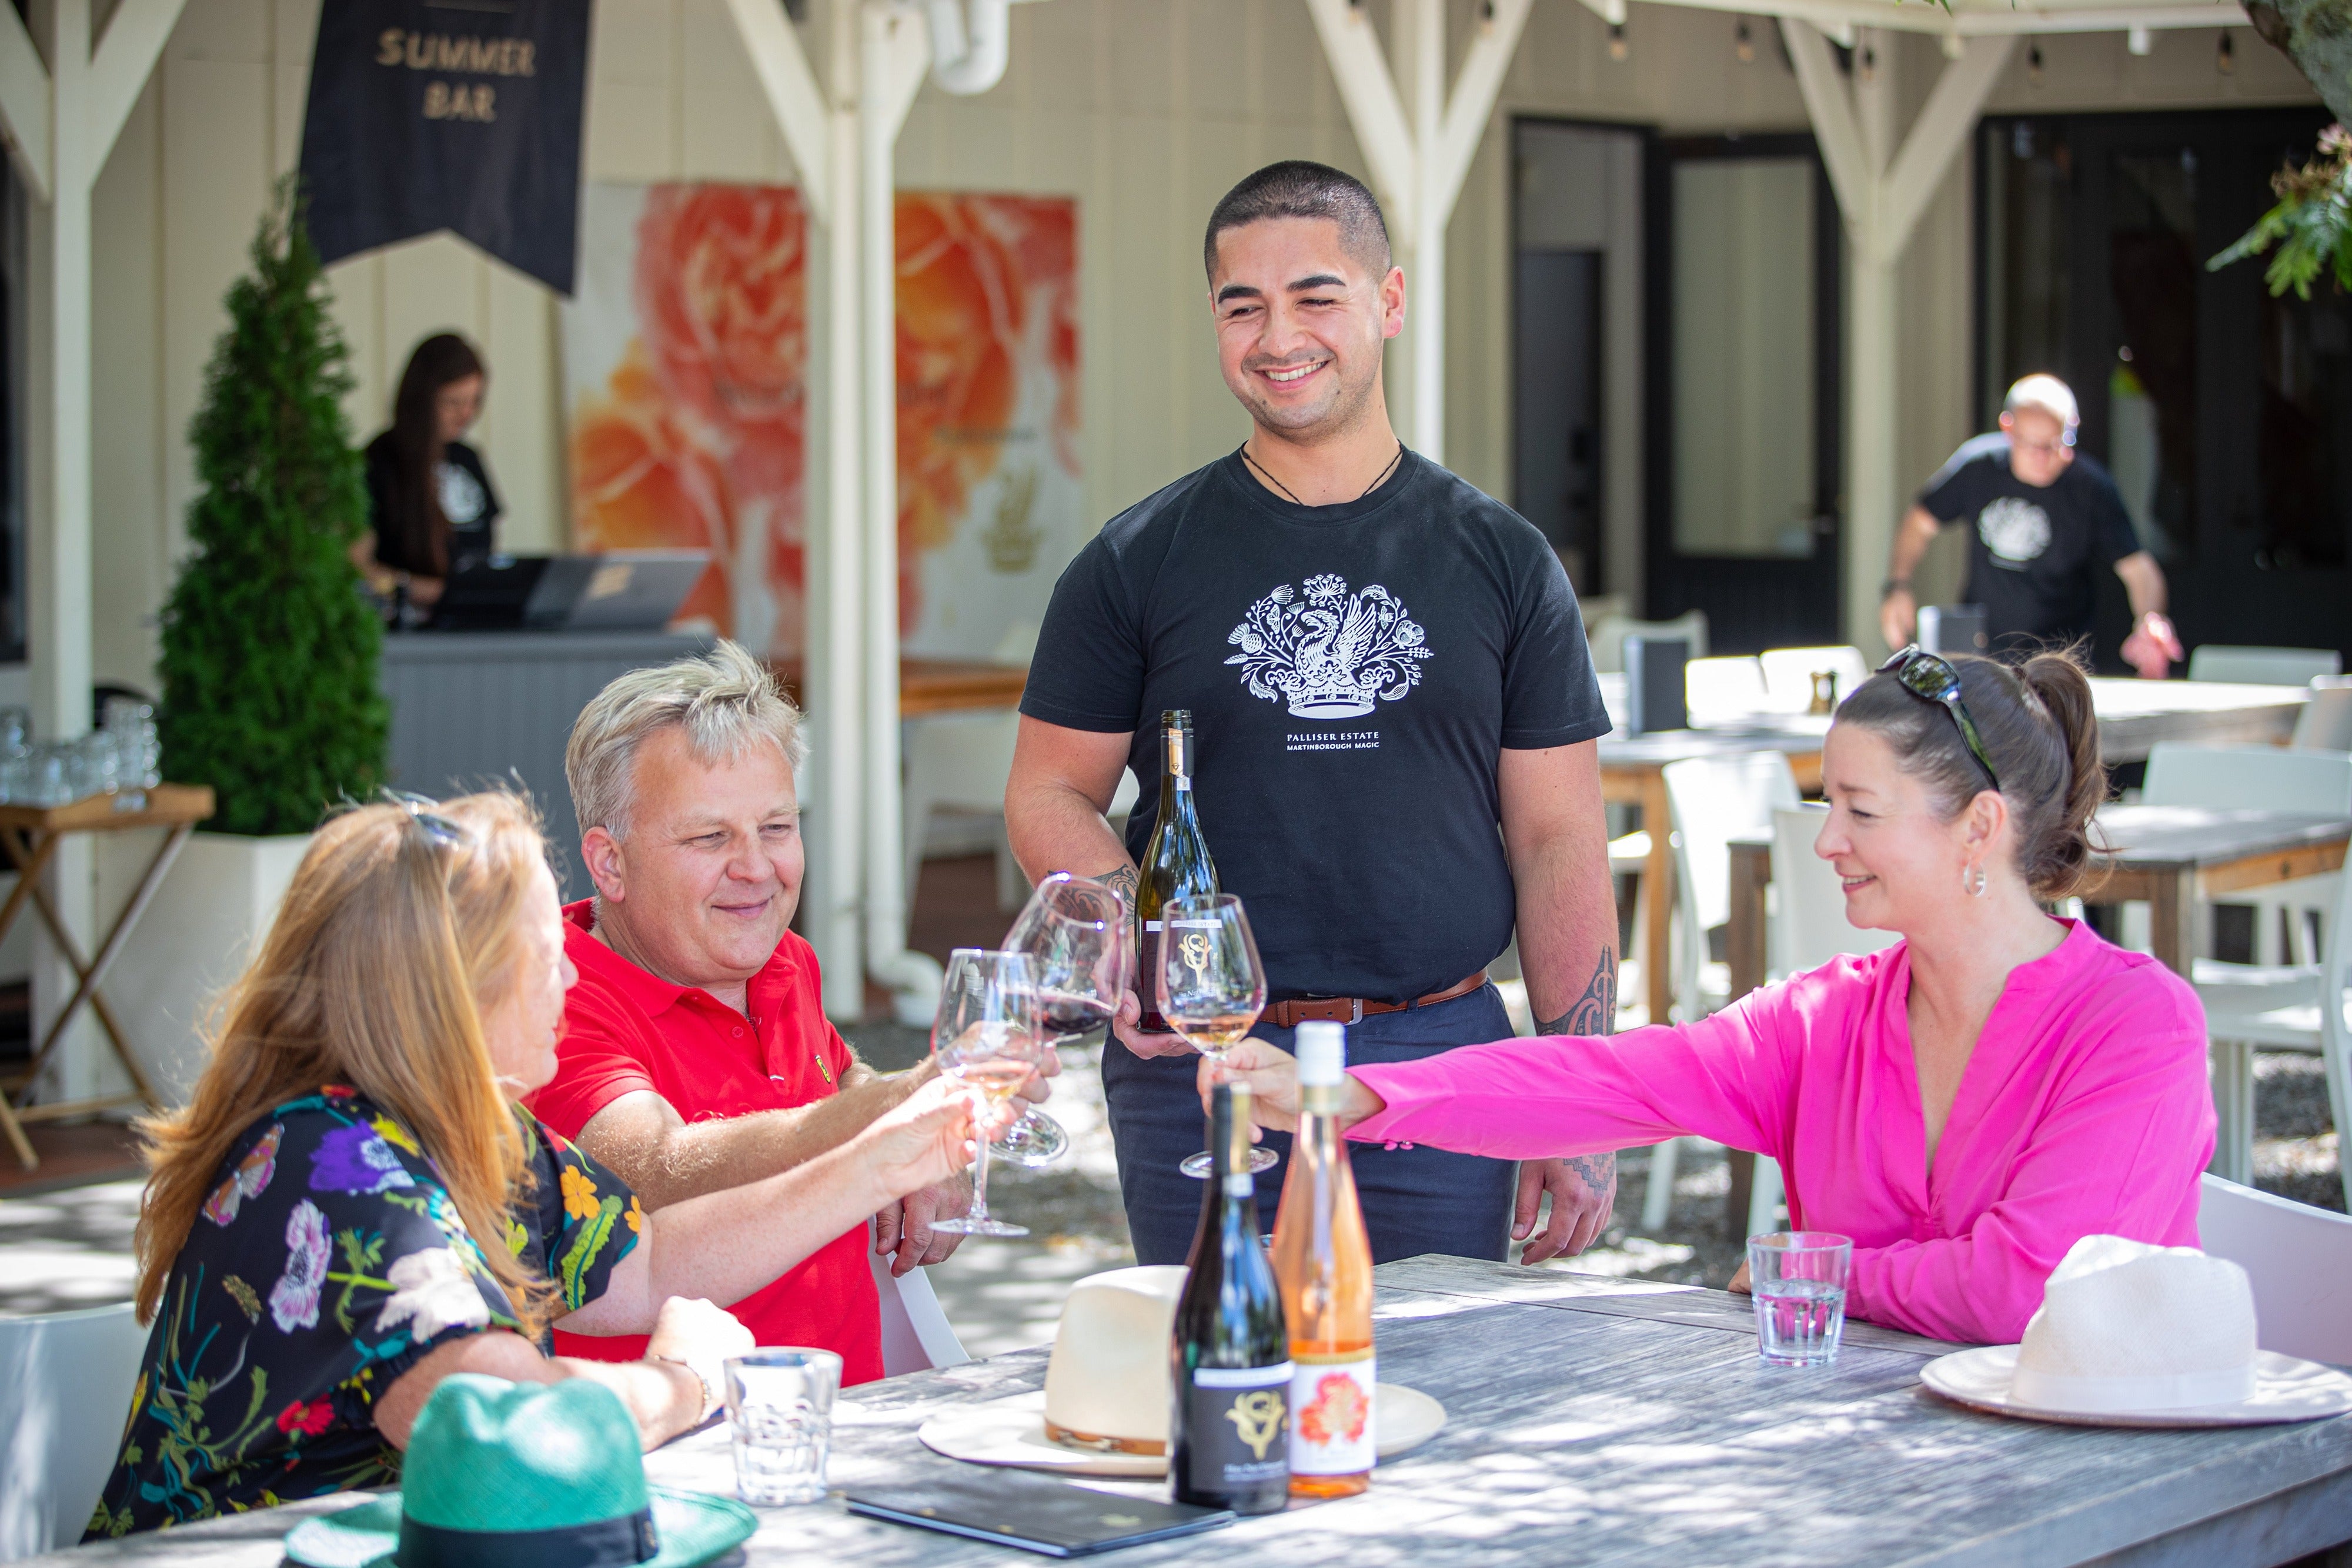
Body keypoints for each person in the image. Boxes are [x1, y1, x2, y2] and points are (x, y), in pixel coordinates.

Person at [1205, 648, 2216, 1347]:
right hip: (1870, 1461)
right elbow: (1600, 1078)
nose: (1826, 841)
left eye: (1859, 810)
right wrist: (1351, 1098)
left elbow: (2026, 1290)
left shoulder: (2138, 1026)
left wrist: (1820, 1272)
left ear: (1980, 826)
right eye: (1827, 804)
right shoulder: (1829, 1019)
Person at [1005, 161, 1619, 1271]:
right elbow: (1049, 789)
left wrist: (1575, 1095)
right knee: (1215, 1399)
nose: (1277, 335)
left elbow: (1559, 836)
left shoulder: (1504, 561)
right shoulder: (1135, 561)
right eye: (1245, 305)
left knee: (1435, 1408)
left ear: (1388, 302)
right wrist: (1127, 923)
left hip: (1438, 1057)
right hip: (1204, 1062)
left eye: (1316, 297)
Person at [89, 793, 985, 1539]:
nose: (568, 975)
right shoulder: (333, 1162)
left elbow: (654, 1260)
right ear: (454, 989)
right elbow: (502, 1429)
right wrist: (684, 1381)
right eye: (542, 952)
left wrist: (882, 1159)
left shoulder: (480, 1132)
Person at [527, 641, 1051, 1385]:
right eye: (710, 837)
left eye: (776, 828)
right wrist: (903, 1109)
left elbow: (837, 1079)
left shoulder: (783, 961)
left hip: (853, 1429)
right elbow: (652, 1171)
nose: (755, 869)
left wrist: (925, 1158)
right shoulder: (549, 997)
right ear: (610, 863)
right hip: (678, 1453)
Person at [1881, 374, 2182, 676]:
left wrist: (2150, 619)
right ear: (2008, 428)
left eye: (2055, 445)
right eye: (2031, 445)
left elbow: (2139, 570)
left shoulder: (2090, 488)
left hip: (2058, 662)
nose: (2043, 458)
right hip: (1983, 654)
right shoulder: (1978, 468)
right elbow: (1920, 522)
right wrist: (1898, 585)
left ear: (2072, 427)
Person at [355, 333, 502, 613]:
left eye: (474, 402)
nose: (466, 414)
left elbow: (488, 550)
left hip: (471, 619)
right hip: (408, 623)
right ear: (422, 398)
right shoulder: (380, 458)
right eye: (453, 402)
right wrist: (417, 589)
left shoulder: (468, 457)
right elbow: (357, 564)